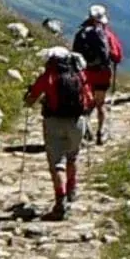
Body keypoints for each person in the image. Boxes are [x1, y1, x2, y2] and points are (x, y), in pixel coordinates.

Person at [24, 47, 95, 219]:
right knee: (72, 157)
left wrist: (30, 99)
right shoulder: (79, 75)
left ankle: (60, 201)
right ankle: (72, 190)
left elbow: (31, 98)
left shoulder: (49, 76)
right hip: (76, 122)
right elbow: (90, 99)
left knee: (57, 164)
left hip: (54, 122)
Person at [71, 4, 124, 143]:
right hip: (102, 73)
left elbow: (75, 54)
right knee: (100, 104)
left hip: (85, 74)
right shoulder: (106, 34)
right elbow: (117, 55)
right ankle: (101, 132)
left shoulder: (81, 33)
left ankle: (85, 132)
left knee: (86, 104)